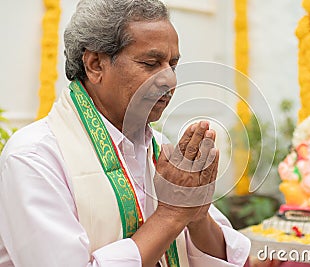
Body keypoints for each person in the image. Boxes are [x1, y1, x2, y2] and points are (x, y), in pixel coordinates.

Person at [0, 0, 251, 266]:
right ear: (95, 65)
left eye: (173, 65)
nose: (170, 80)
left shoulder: (160, 149)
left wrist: (197, 215)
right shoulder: (34, 157)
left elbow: (231, 259)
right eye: (151, 63)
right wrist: (171, 214)